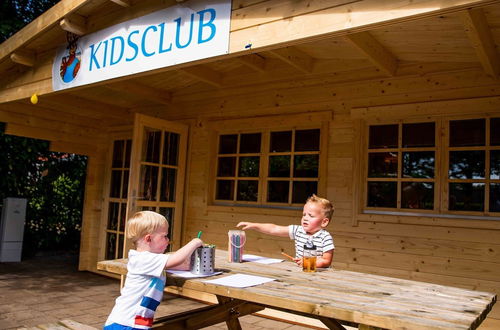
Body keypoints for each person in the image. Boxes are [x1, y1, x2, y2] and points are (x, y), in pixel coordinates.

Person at [104, 211, 203, 330]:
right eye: (164, 236)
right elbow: (176, 260)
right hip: (126, 324)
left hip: (132, 322)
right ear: (149, 239)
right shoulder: (144, 259)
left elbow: (179, 264)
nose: (168, 240)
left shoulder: (148, 259)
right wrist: (194, 243)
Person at [237, 194, 334, 268]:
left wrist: (308, 263)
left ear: (324, 222)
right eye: (304, 214)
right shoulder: (298, 230)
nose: (305, 218)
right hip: (299, 273)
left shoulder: (325, 237)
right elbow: (274, 229)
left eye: (311, 216)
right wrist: (254, 225)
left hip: (319, 275)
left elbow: (326, 261)